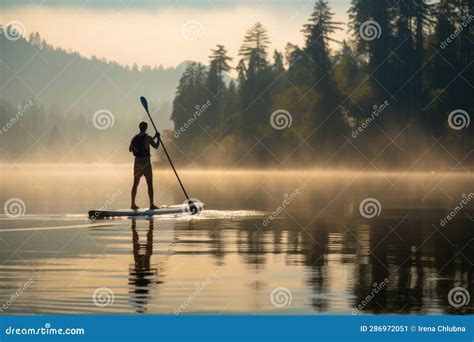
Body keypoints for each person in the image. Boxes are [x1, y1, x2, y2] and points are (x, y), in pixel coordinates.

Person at [129, 121, 160, 210]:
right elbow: (156, 146)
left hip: (137, 161)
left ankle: (133, 204)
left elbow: (130, 150)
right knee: (149, 183)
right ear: (146, 128)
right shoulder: (148, 138)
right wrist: (158, 138)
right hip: (146, 161)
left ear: (139, 128)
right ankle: (151, 205)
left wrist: (153, 137)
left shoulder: (134, 138)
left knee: (135, 183)